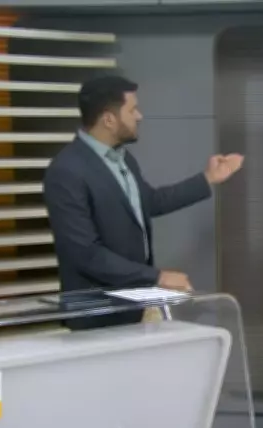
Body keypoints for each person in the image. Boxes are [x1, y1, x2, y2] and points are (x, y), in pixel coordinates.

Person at [43, 75, 243, 326]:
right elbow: (86, 254)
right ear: (108, 119)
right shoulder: (66, 171)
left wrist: (208, 178)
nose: (139, 116)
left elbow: (150, 201)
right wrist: (156, 277)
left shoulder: (124, 159)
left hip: (130, 307)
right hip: (94, 316)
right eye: (132, 110)